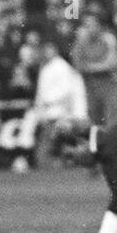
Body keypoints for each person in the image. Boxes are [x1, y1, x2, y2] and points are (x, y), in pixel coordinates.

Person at [32, 40, 88, 168]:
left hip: (58, 112)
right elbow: (40, 93)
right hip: (50, 112)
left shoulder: (61, 67)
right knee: (54, 144)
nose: (47, 52)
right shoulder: (46, 67)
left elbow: (65, 92)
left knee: (48, 145)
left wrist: (47, 102)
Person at [70, 15, 117, 126]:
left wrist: (89, 66)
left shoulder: (109, 39)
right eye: (86, 26)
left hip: (108, 84)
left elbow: (111, 63)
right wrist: (98, 66)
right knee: (93, 120)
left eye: (92, 25)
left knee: (112, 121)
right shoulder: (80, 43)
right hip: (89, 86)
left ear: (99, 26)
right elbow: (77, 66)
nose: (89, 28)